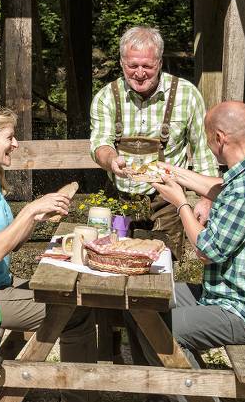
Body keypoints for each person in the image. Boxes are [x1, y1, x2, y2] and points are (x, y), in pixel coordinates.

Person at [120, 101, 245, 402]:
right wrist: (175, 174)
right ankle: (165, 400)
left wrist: (179, 202)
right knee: (140, 301)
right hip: (227, 292)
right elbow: (218, 187)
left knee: (161, 326)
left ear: (220, 138)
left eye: (210, 141)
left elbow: (206, 249)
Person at [0, 105, 121, 402]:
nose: (14, 145)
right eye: (9, 138)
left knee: (74, 297)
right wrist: (29, 210)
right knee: (76, 312)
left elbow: (7, 239)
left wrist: (37, 216)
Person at [90, 26, 219, 258]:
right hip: (120, 200)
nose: (139, 73)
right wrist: (111, 161)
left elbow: (203, 152)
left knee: (161, 276)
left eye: (147, 66)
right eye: (133, 66)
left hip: (167, 203)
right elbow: (100, 145)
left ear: (159, 62)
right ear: (121, 62)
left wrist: (206, 199)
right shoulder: (106, 97)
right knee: (113, 267)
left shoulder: (186, 95)